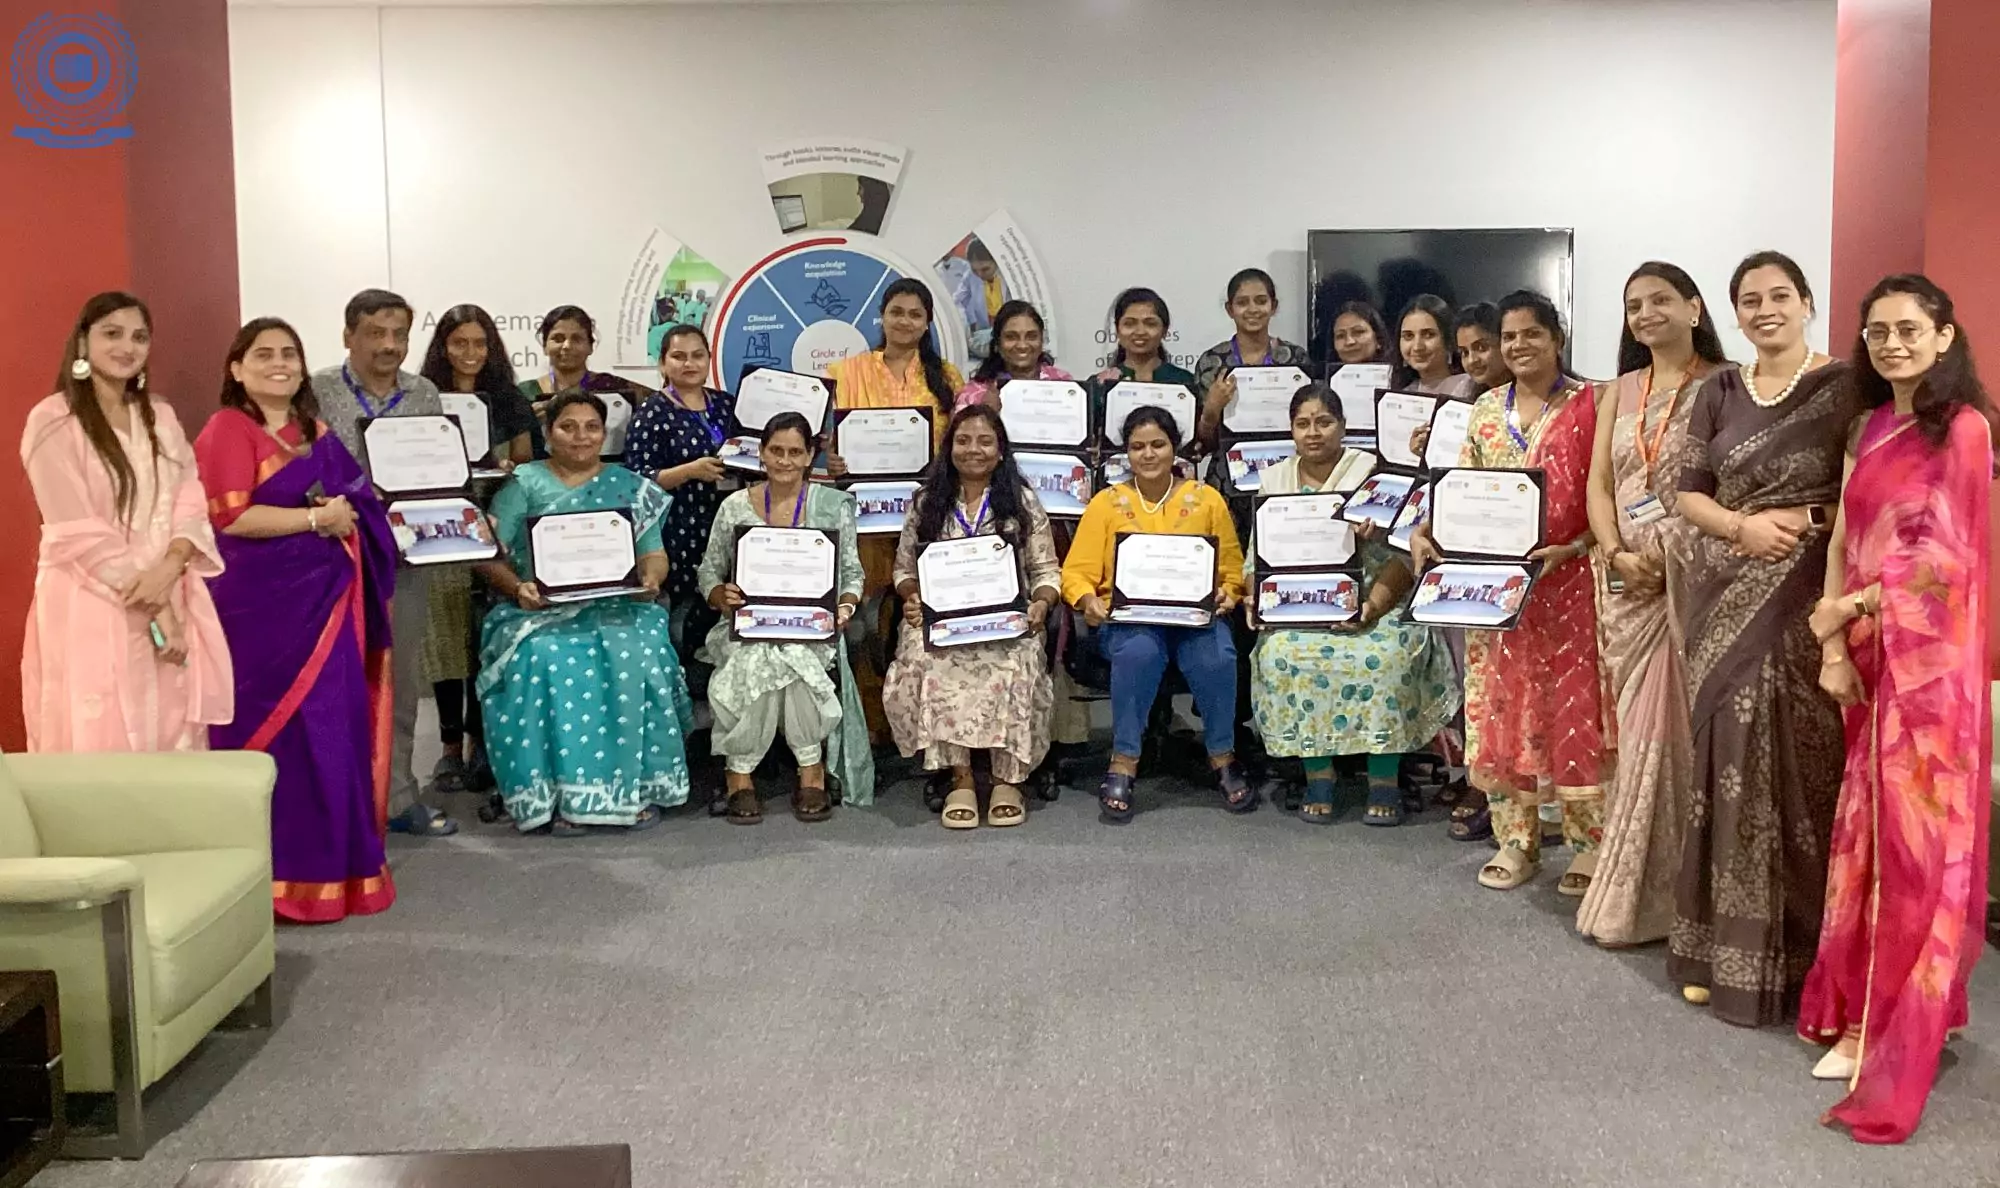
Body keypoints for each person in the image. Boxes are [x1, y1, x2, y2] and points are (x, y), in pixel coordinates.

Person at [1796, 275, 1993, 1142]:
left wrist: (1852, 610)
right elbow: (1845, 540)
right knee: (1865, 835)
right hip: (1871, 660)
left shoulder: (1964, 428)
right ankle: (1861, 1012)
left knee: (1917, 851)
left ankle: (1893, 1025)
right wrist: (1835, 644)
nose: (1893, 344)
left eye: (1909, 329)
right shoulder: (1867, 427)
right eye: (1877, 332)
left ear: (1944, 336)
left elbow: (1948, 563)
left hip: (1933, 671)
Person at [1667, 250, 1852, 1025]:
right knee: (1728, 763)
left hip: (1811, 591)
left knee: (1808, 773)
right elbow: (1685, 492)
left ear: (1807, 302)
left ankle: (1811, 958)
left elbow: (1869, 487)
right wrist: (1741, 527)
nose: (1766, 309)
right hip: (1724, 593)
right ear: (1735, 314)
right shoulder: (1716, 391)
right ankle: (1721, 951)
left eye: (1780, 295)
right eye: (1750, 299)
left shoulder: (1846, 386)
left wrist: (1803, 520)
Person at [197, 317, 396, 922]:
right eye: (263, 354)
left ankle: (336, 872)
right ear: (236, 368)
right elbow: (230, 519)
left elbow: (360, 505)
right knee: (280, 735)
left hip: (328, 609)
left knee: (332, 731)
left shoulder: (316, 433)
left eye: (289, 353)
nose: (279, 363)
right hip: (259, 616)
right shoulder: (227, 429)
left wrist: (349, 517)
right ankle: (272, 878)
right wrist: (317, 520)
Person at [1410, 290, 1604, 891]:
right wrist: (1427, 527)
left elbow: (1607, 492)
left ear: (1557, 338)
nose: (1519, 346)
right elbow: (1461, 486)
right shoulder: (1486, 409)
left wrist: (1577, 545)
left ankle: (1588, 846)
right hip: (1493, 589)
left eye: (1531, 334)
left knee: (1573, 711)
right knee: (1501, 710)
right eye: (1510, 337)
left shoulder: (1592, 404)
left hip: (1569, 582)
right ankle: (1516, 842)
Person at [1576, 262, 1728, 945]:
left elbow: (1731, 483)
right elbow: (1599, 487)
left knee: (1679, 737)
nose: (1646, 314)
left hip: (1694, 582)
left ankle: (1678, 896)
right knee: (1636, 731)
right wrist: (1615, 553)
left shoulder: (1725, 385)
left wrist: (1675, 558)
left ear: (1694, 308)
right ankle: (1641, 887)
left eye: (1660, 300)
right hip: (1625, 584)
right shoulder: (1619, 390)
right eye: (1634, 305)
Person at [472, 391, 695, 835]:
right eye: (567, 427)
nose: (581, 436)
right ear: (547, 432)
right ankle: (555, 794)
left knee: (638, 652)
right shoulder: (524, 483)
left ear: (604, 433)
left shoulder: (629, 484)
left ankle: (633, 789)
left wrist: (651, 579)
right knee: (543, 658)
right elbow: (487, 552)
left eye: (592, 427)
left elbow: (654, 554)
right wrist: (517, 587)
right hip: (539, 610)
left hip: (619, 604)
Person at [22, 291, 231, 752]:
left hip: (167, 588)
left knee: (169, 730)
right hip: (92, 600)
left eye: (139, 337)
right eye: (112, 334)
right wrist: (158, 607)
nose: (127, 347)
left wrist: (171, 566)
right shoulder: (53, 421)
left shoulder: (160, 417)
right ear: (83, 342)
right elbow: (77, 531)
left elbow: (189, 497)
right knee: (102, 735)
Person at [1249, 383, 1458, 823]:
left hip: (1376, 598)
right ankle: (1318, 776)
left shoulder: (1375, 475)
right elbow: (1257, 560)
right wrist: (1258, 600)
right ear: (1290, 430)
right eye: (1303, 424)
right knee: (1282, 655)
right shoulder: (1274, 481)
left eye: (1324, 422)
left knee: (1387, 657)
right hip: (1301, 607)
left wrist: (1372, 605)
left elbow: (1404, 557)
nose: (1313, 433)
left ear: (1343, 427)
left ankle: (1383, 779)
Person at [309, 288, 458, 837]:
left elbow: (438, 475)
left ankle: (396, 795)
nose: (389, 345)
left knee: (400, 679)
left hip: (403, 559)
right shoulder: (316, 392)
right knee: (332, 680)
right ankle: (336, 800)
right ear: (348, 336)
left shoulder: (423, 394)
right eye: (375, 333)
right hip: (330, 556)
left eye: (399, 334)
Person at [1062, 406, 1253, 822]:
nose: (1148, 454)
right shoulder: (1106, 503)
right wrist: (1086, 600)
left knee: (1216, 655)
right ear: (1126, 453)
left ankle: (1222, 754)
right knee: (1139, 653)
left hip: (1194, 619)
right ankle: (1124, 759)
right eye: (1137, 447)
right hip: (1129, 621)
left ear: (1175, 448)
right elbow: (1076, 573)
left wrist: (1228, 592)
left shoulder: (1206, 499)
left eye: (1157, 445)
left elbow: (1232, 568)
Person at [883, 405, 1062, 826]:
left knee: (1017, 660)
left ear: (1000, 451)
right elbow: (904, 569)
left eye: (984, 441)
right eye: (963, 440)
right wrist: (911, 596)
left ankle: (1007, 779)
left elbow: (1046, 571)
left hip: (1007, 619)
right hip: (941, 620)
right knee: (925, 657)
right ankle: (960, 777)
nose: (973, 449)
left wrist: (1041, 602)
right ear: (949, 448)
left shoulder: (1022, 501)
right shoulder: (926, 502)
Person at [699, 412, 871, 822]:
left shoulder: (831, 506)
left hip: (811, 625)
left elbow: (852, 574)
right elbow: (708, 572)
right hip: (748, 625)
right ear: (761, 453)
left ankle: (810, 769)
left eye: (795, 452)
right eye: (776, 450)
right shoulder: (734, 507)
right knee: (754, 658)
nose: (785, 460)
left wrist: (845, 606)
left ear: (810, 456)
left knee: (794, 657)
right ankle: (740, 774)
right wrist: (721, 595)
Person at [825, 278, 965, 741]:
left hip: (928, 517)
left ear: (927, 324)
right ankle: (869, 727)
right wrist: (833, 460)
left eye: (915, 314)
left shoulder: (947, 379)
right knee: (863, 622)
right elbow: (825, 443)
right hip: (865, 516)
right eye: (896, 312)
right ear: (882, 317)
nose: (905, 321)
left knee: (919, 614)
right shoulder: (845, 373)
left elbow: (960, 447)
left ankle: (929, 725)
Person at [414, 304, 537, 797]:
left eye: (480, 343)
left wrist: (503, 465)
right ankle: (448, 749)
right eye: (459, 343)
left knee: (487, 633)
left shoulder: (507, 398)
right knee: (445, 639)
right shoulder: (422, 398)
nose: (470, 352)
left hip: (496, 521)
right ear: (443, 347)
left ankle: (481, 742)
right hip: (441, 523)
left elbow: (525, 458)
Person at [624, 323, 737, 691]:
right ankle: (682, 687)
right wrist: (689, 471)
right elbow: (636, 480)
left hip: (726, 518)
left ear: (708, 359)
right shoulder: (652, 412)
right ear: (663, 363)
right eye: (679, 356)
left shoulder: (726, 404)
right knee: (686, 612)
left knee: (725, 599)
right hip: (678, 524)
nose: (689, 364)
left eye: (697, 355)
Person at [1194, 268, 1312, 457]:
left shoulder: (1296, 358)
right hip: (1228, 465)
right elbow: (1203, 444)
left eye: (1261, 301)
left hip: (1288, 462)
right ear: (1230, 309)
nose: (1253, 310)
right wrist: (1211, 411)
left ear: (1273, 306)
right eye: (1242, 302)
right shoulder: (1212, 363)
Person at [517, 305, 655, 454]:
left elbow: (660, 405)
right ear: (545, 346)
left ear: (590, 346)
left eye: (577, 339)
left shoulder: (615, 388)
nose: (567, 346)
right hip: (543, 468)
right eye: (558, 339)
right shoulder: (524, 393)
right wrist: (526, 422)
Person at [955, 300, 1073, 410]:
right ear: (997, 344)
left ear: (1042, 341)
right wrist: (987, 413)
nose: (1022, 346)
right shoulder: (973, 395)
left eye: (1031, 336)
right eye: (1011, 337)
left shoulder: (1063, 383)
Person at [1393, 294, 1477, 397]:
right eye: (1408, 336)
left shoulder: (1472, 388)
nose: (1417, 347)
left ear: (1449, 340)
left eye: (1428, 335)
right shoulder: (1399, 397)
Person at [1329, 300, 1392, 367]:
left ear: (1378, 339)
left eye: (1358, 332)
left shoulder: (1396, 372)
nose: (1349, 342)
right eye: (1340, 336)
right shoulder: (1325, 373)